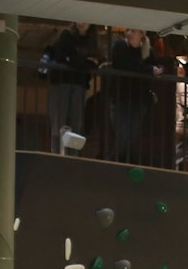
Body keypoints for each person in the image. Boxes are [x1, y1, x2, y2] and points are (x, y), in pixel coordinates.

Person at [105, 28, 163, 165]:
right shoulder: (120, 47)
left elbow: (157, 65)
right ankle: (114, 163)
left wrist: (158, 70)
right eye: (129, 30)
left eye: (134, 31)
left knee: (131, 135)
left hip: (139, 100)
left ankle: (121, 163)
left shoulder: (148, 50)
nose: (129, 33)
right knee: (123, 134)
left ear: (141, 34)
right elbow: (126, 65)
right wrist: (149, 70)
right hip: (121, 98)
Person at [40, 22, 95, 152]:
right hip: (62, 82)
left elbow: (90, 62)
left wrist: (76, 61)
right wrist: (85, 63)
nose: (82, 23)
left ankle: (71, 159)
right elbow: (62, 57)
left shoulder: (91, 41)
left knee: (74, 126)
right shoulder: (67, 35)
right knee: (59, 126)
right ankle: (56, 157)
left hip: (78, 84)